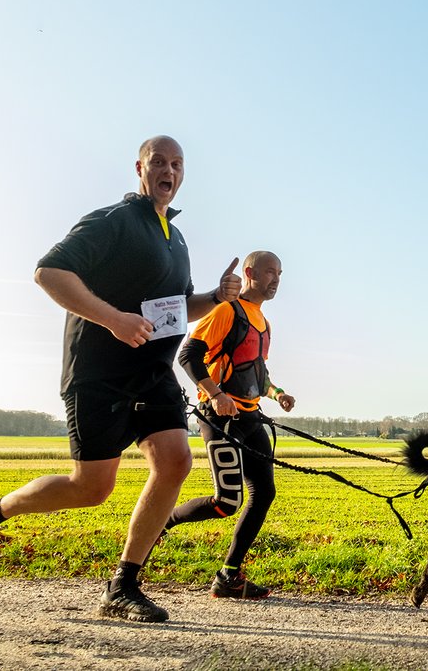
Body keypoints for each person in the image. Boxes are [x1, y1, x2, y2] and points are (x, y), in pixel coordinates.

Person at [0, 136, 241, 623]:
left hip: (152, 374)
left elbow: (175, 311)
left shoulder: (175, 238)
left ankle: (122, 585)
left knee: (175, 460)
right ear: (139, 169)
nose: (169, 170)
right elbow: (50, 272)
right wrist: (112, 319)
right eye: (159, 162)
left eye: (177, 164)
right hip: (97, 373)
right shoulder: (114, 221)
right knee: (91, 487)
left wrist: (215, 296)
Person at [159, 250, 295, 599]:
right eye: (269, 272)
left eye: (279, 273)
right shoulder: (226, 310)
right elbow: (188, 355)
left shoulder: (263, 322)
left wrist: (277, 393)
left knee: (263, 494)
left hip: (251, 417)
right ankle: (164, 520)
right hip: (219, 418)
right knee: (227, 502)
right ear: (249, 272)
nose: (276, 279)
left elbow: (255, 372)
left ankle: (229, 576)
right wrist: (216, 394)